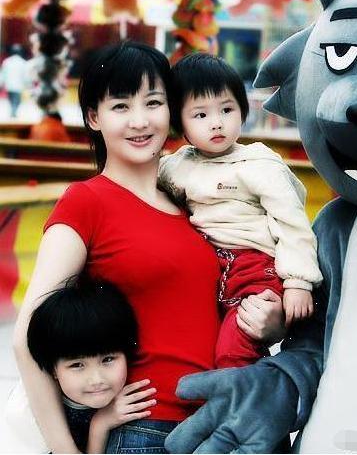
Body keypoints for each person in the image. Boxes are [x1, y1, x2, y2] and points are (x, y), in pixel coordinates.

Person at [12, 41, 285, 453]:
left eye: (153, 103)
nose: (139, 121)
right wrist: (67, 450)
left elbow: (225, 297)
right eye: (120, 106)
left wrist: (271, 322)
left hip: (228, 422)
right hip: (149, 431)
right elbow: (28, 339)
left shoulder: (193, 200)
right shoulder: (86, 202)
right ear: (93, 117)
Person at [159, 53, 322, 369]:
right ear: (179, 123)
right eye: (200, 115)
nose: (216, 122)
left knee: (234, 349)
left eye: (227, 109)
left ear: (242, 111)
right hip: (209, 269)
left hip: (255, 268)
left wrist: (298, 282)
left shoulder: (258, 163)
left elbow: (292, 222)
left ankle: (242, 396)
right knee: (200, 344)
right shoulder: (177, 166)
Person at [26, 277, 154, 453]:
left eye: (107, 359)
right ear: (53, 370)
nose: (96, 380)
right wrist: (100, 425)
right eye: (77, 365)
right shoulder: (43, 416)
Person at [0, 44, 28, 118]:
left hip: (9, 84)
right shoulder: (23, 62)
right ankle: (14, 111)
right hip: (19, 85)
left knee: (11, 99)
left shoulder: (7, 61)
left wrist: (1, 83)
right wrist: (27, 84)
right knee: (17, 100)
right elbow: (25, 75)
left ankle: (13, 111)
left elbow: (3, 74)